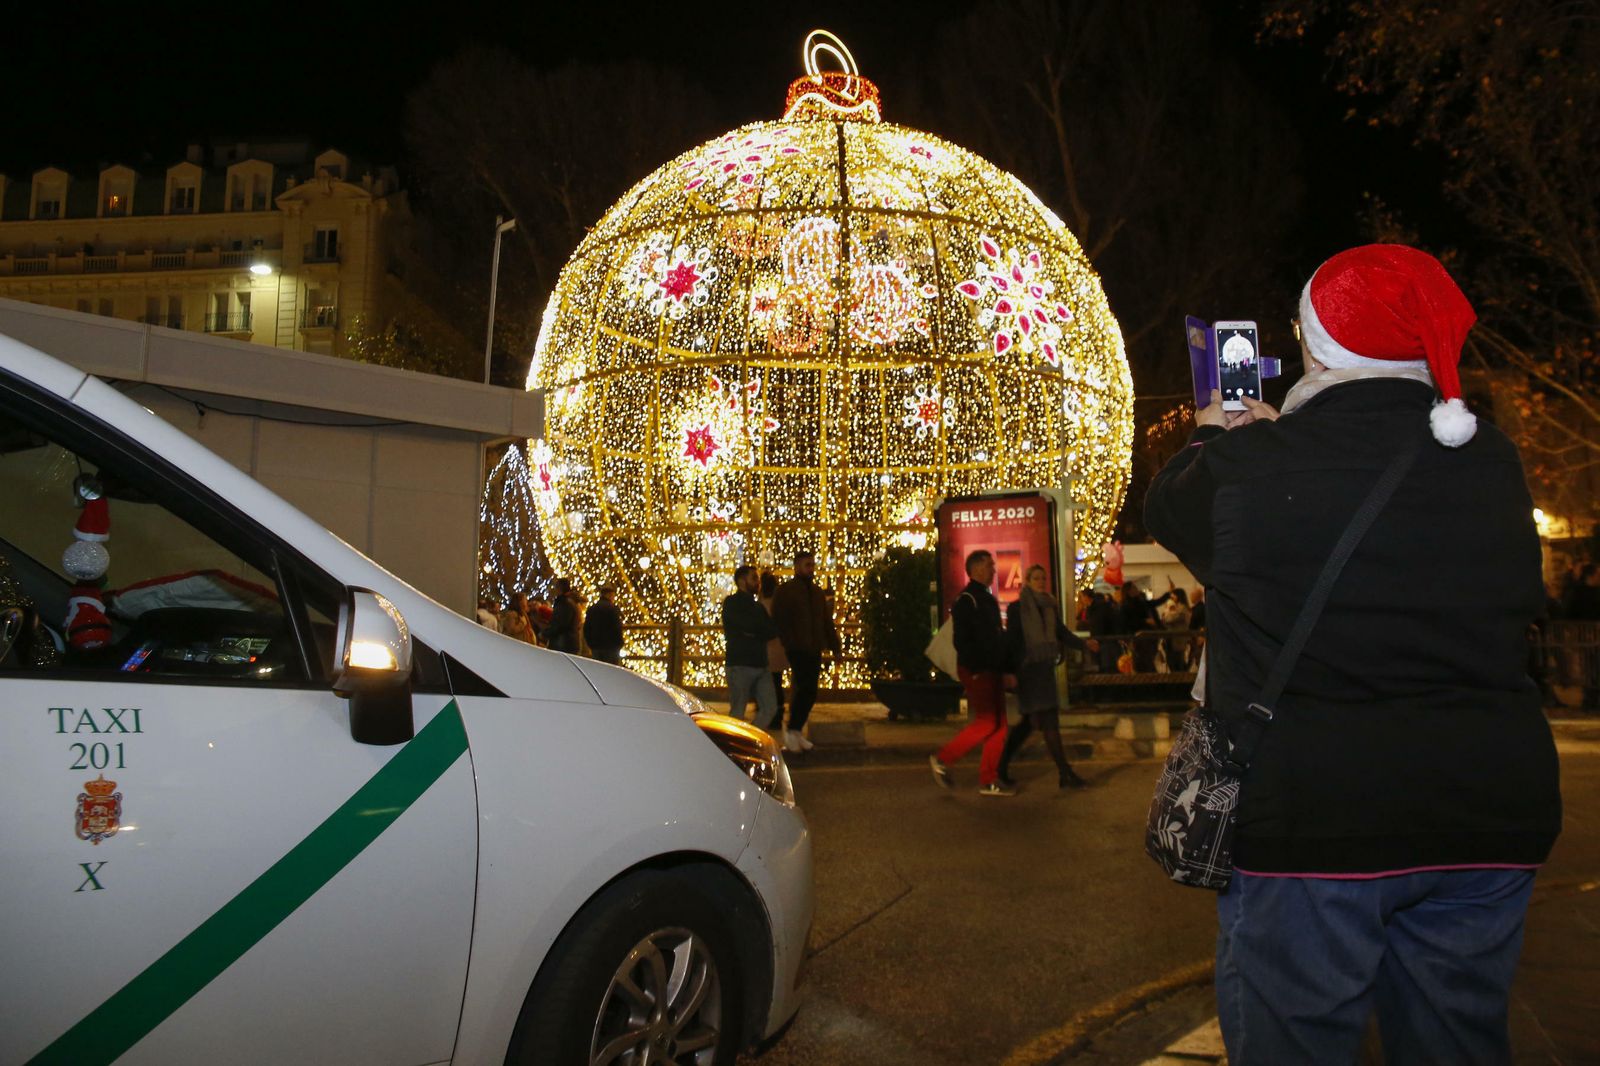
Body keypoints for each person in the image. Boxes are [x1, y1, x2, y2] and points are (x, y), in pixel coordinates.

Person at [1145, 244, 1561, 1065]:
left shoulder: (1250, 466)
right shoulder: (1490, 457)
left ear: (1313, 343)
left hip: (1314, 820)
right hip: (1485, 810)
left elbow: (1173, 509)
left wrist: (1218, 433)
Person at [997, 565, 1099, 789]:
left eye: (1043, 578)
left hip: (1044, 669)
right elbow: (1011, 641)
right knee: (1048, 720)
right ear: (1027, 581)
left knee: (1029, 722)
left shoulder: (1049, 606)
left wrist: (1083, 644)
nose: (1041, 581)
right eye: (1036, 578)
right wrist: (1009, 671)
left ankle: (1002, 766)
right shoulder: (1017, 608)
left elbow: (1061, 632)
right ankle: (1065, 774)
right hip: (1028, 670)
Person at [928, 549, 1014, 796]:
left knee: (999, 725)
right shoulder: (968, 600)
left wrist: (1004, 668)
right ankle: (944, 758)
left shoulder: (984, 598)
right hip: (979, 669)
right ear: (975, 569)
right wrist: (976, 668)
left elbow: (995, 638)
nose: (993, 570)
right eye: (989, 566)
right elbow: (962, 640)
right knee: (988, 721)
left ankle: (989, 780)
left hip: (991, 668)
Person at [772, 550, 841, 753]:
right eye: (807, 565)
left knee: (810, 690)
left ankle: (796, 730)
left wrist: (835, 646)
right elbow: (779, 618)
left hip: (813, 646)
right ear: (797, 567)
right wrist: (788, 640)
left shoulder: (817, 593)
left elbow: (826, 622)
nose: (811, 569)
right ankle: (793, 729)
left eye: (812, 565)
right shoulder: (787, 591)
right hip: (797, 647)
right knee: (804, 688)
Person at [722, 565, 779, 727]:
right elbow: (747, 625)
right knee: (737, 711)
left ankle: (750, 737)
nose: (758, 582)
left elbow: (770, 631)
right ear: (742, 581)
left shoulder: (758, 606)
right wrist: (757, 630)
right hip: (740, 665)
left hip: (760, 664)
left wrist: (753, 632)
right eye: (754, 578)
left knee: (769, 708)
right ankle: (734, 741)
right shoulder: (732, 603)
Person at [759, 570, 788, 729]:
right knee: (777, 682)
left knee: (767, 684)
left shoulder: (760, 605)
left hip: (765, 650)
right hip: (780, 648)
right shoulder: (780, 604)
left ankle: (768, 713)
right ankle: (778, 714)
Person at [583, 585, 624, 665]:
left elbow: (586, 628)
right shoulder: (612, 609)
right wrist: (619, 643)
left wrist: (590, 643)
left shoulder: (592, 608)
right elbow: (617, 627)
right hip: (611, 646)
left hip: (596, 645)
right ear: (609, 595)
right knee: (611, 668)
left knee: (598, 667)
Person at [546, 578, 578, 653]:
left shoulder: (564, 603)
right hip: (565, 642)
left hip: (562, 644)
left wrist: (546, 633)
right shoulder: (568, 602)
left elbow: (560, 624)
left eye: (556, 586)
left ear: (560, 588)